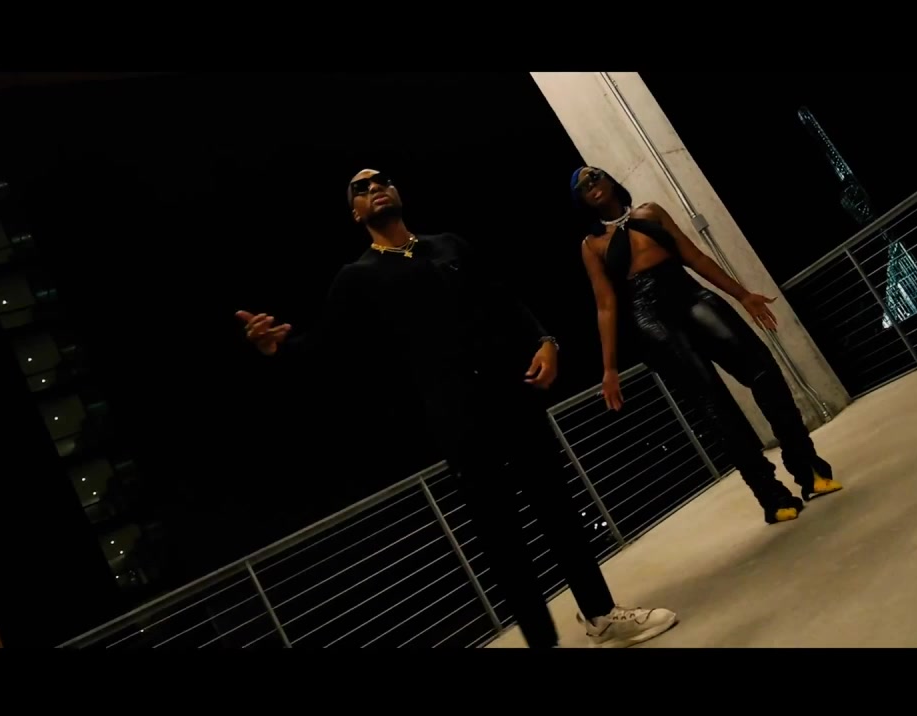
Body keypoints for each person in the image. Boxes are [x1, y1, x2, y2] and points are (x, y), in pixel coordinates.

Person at [234, 169, 677, 649]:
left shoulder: (448, 245)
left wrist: (546, 341)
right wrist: (276, 351)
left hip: (514, 396)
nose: (374, 188)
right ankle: (542, 641)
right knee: (502, 538)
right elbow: (326, 347)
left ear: (397, 193)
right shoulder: (357, 277)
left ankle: (601, 617)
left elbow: (503, 297)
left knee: (559, 511)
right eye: (360, 189)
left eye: (380, 181)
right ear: (356, 214)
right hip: (458, 419)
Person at [571, 166, 842, 526]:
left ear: (609, 181)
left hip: (688, 294)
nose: (591, 185)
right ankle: (771, 495)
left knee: (763, 369)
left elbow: (694, 257)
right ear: (581, 201)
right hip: (648, 315)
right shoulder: (592, 245)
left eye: (594, 176)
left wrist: (742, 295)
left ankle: (807, 468)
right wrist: (609, 368)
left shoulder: (650, 212)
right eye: (582, 186)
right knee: (713, 403)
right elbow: (606, 305)